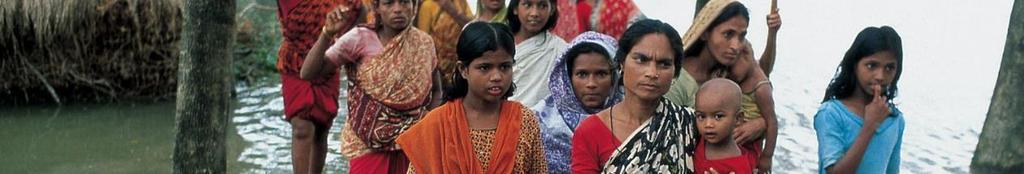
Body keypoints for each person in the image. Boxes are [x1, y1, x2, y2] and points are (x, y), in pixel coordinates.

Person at [301, 0, 442, 173]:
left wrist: (427, 125)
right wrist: (326, 34)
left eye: (405, 2)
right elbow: (308, 73)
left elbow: (436, 90)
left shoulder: (424, 43)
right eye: (389, 3)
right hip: (366, 146)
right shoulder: (359, 38)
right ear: (377, 8)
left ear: (415, 6)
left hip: (411, 144)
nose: (398, 9)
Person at [396, 22, 548, 174]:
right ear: (463, 70)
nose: (496, 76)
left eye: (504, 67)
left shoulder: (524, 121)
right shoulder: (437, 124)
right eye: (484, 67)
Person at [570, 19, 697, 173]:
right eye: (641, 60)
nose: (652, 73)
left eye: (664, 64)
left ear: (675, 72)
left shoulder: (690, 124)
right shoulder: (590, 131)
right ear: (622, 63)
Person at [815, 26, 904, 174]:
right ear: (854, 65)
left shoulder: (895, 120)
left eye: (889, 68)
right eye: (871, 65)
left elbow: (892, 170)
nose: (880, 76)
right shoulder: (831, 113)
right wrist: (870, 126)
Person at [531, 31, 621, 174]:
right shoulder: (539, 122)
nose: (591, 84)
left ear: (614, 77)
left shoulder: (631, 116)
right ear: (568, 77)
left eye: (601, 74)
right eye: (582, 74)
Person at [275, 0, 346, 173]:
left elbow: (358, 10)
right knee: (302, 128)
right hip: (295, 60)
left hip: (326, 60)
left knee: (322, 127)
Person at [727, 41, 779, 173]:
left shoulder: (761, 88)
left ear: (746, 57)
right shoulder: (734, 77)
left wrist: (767, 156)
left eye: (731, 69)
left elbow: (772, 122)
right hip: (732, 140)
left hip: (751, 144)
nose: (729, 74)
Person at [505, 0, 567, 107]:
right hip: (500, 117)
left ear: (551, 9)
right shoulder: (501, 43)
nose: (535, 13)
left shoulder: (559, 49)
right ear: (515, 8)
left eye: (542, 6)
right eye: (527, 5)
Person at [693, 78, 758, 174]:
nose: (708, 124)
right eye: (701, 116)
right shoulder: (697, 139)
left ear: (738, 119)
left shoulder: (740, 167)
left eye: (718, 116)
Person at [417, 0, 473, 88]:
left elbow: (471, 27)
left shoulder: (461, 2)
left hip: (461, 64)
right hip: (438, 68)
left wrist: (451, 10)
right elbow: (423, 43)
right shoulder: (428, 5)